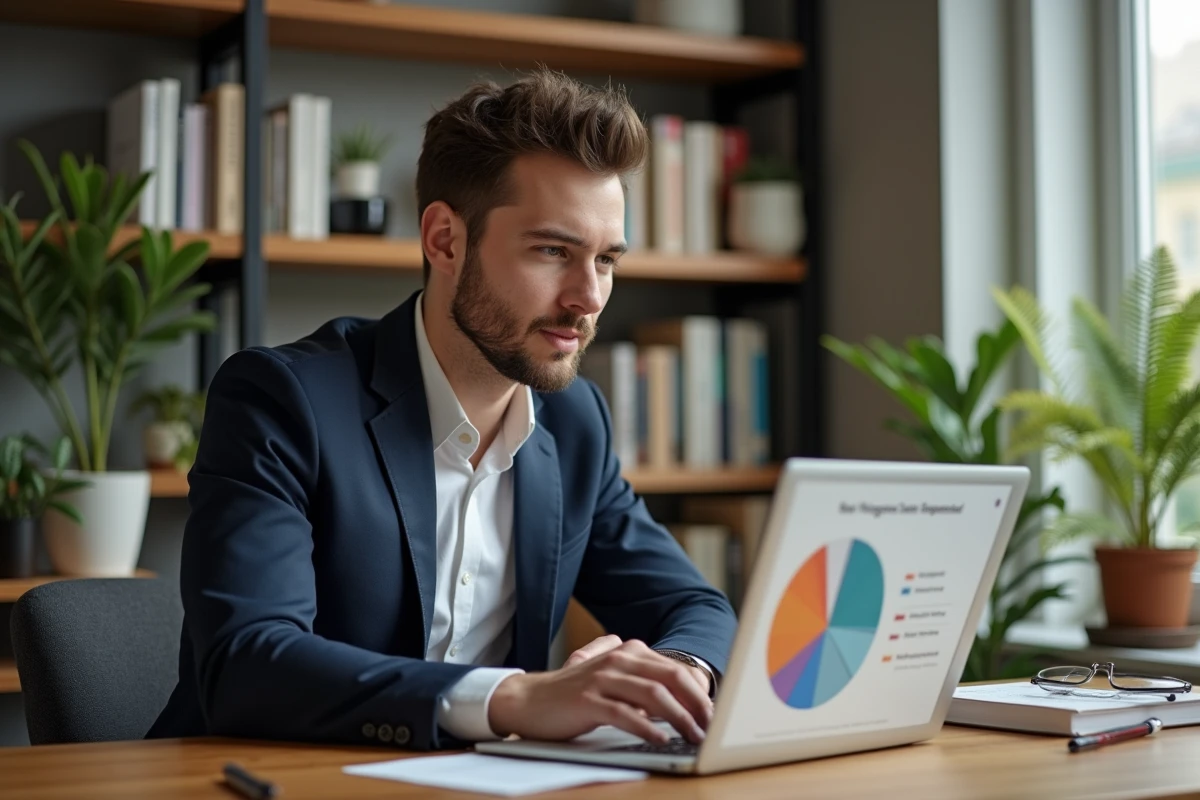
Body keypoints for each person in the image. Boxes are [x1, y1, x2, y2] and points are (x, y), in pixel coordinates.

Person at [148, 68, 737, 751]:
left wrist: (676, 675)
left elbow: (696, 607)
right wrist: (515, 697)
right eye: (553, 251)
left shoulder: (576, 423)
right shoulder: (283, 400)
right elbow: (246, 662)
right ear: (445, 241)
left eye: (605, 259)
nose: (589, 297)